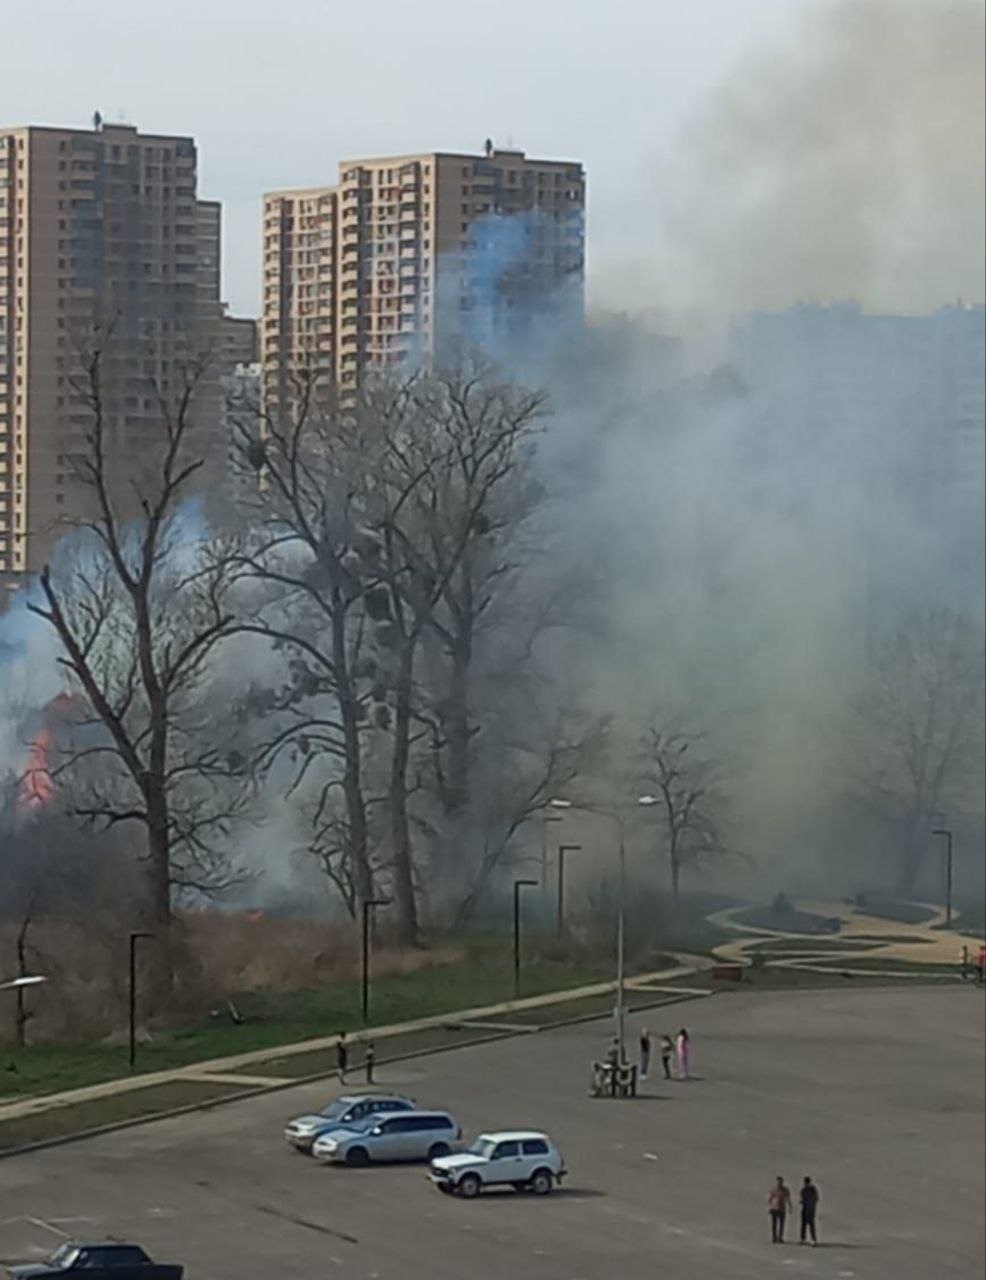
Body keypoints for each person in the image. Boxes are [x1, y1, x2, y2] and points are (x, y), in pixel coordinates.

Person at [768, 1176, 792, 1244]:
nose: (779, 1183)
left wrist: (790, 1207)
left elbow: (788, 1199)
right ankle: (774, 1237)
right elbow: (770, 1198)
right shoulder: (774, 1189)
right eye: (778, 1181)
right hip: (774, 1208)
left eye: (781, 1181)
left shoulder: (785, 1190)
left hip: (782, 1209)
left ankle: (780, 1237)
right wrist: (769, 1207)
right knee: (774, 1224)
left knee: (782, 1224)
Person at [799, 1176, 820, 1245]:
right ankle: (803, 1239)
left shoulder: (812, 1189)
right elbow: (801, 1199)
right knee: (804, 1225)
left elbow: (816, 1199)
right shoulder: (804, 1189)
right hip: (806, 1209)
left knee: (810, 1225)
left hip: (810, 1210)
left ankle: (813, 1239)